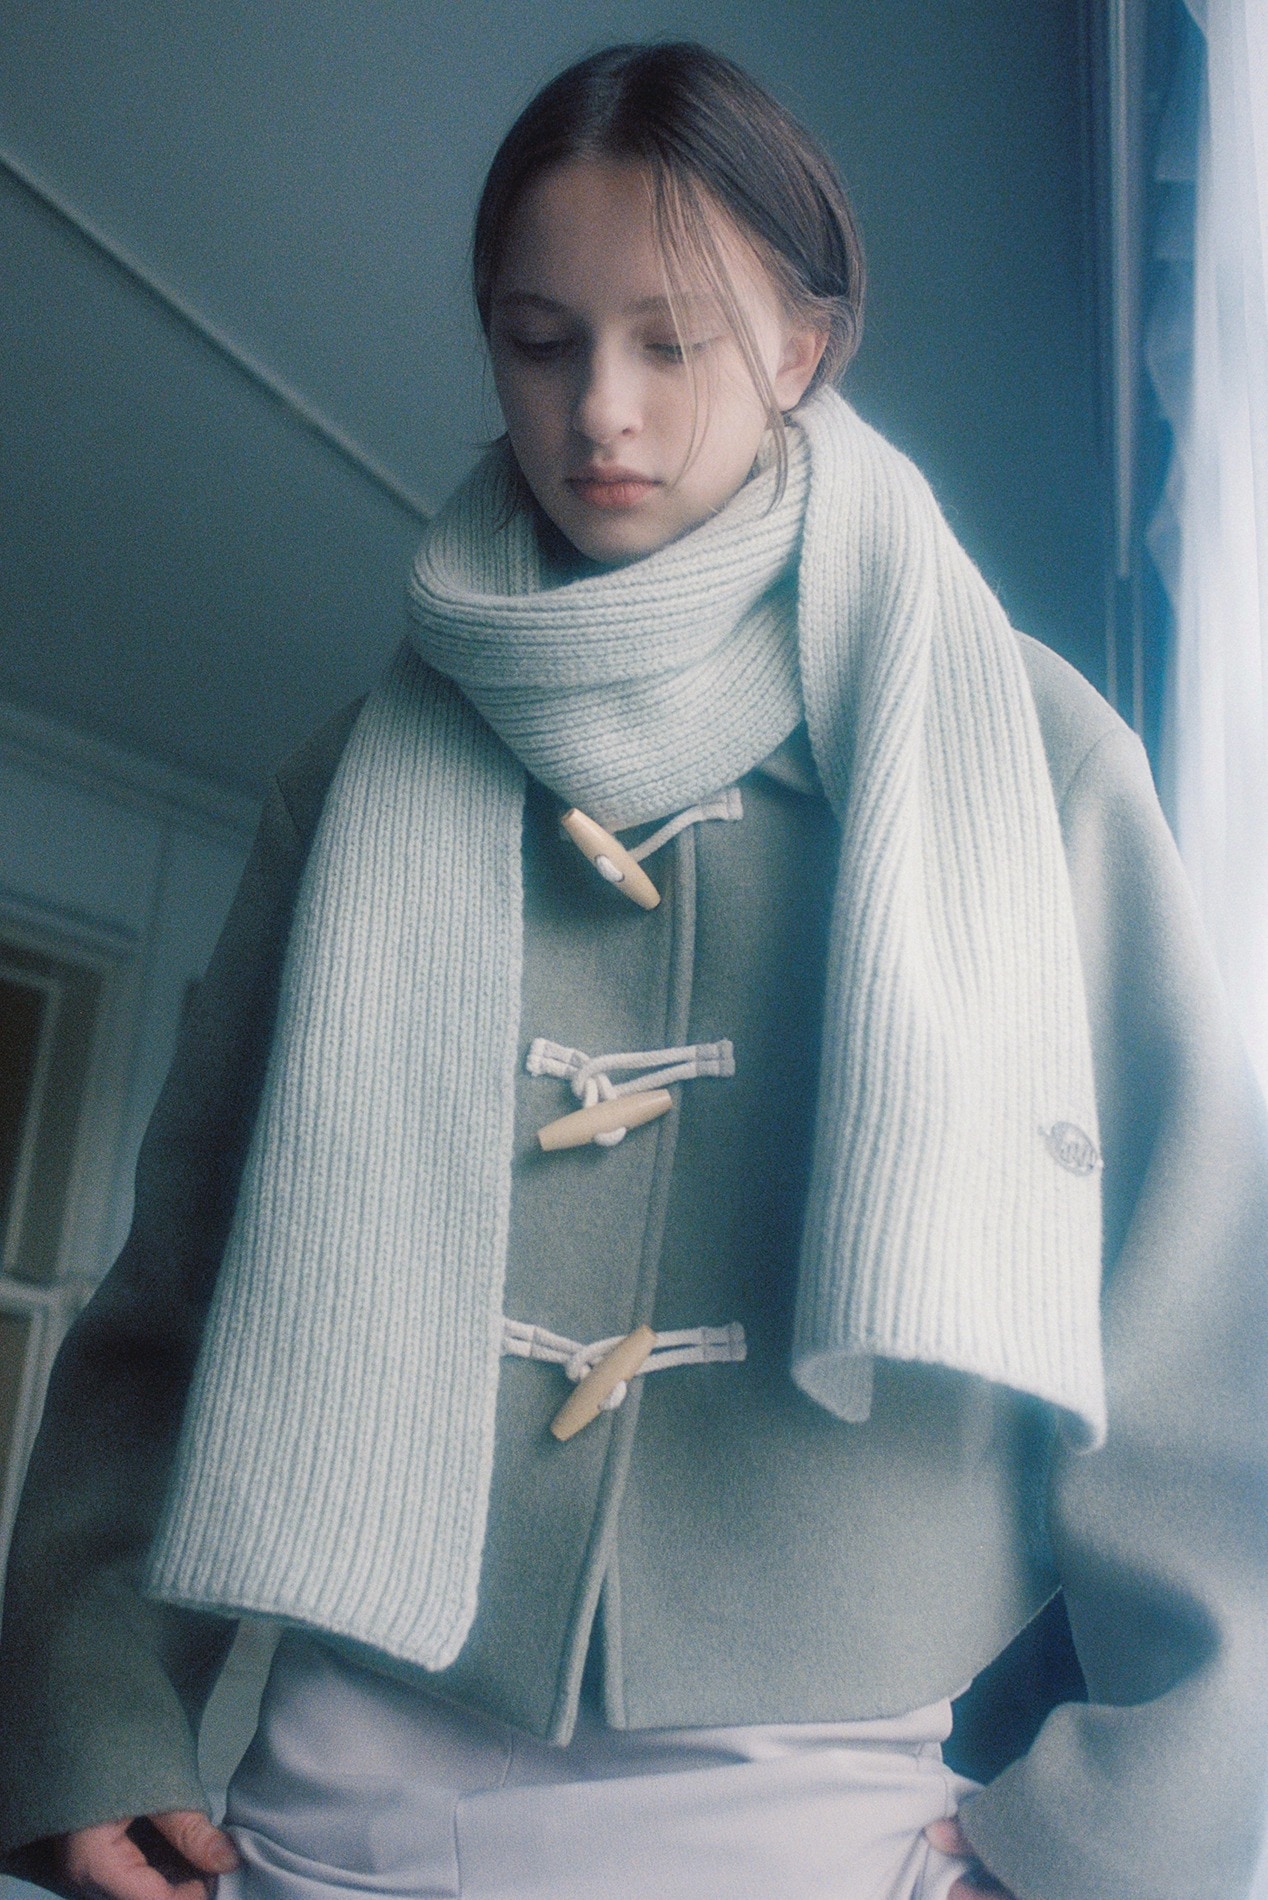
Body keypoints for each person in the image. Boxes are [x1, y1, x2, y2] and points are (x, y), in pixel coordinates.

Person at [2, 39, 1266, 1900]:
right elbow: (187, 1279)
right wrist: (90, 1704)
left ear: (806, 347)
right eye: (541, 341)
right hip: (340, 1799)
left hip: (828, 1813)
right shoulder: (349, 787)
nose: (601, 408)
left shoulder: (1031, 759)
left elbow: (1201, 1313)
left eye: (674, 344)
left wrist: (1126, 1836)